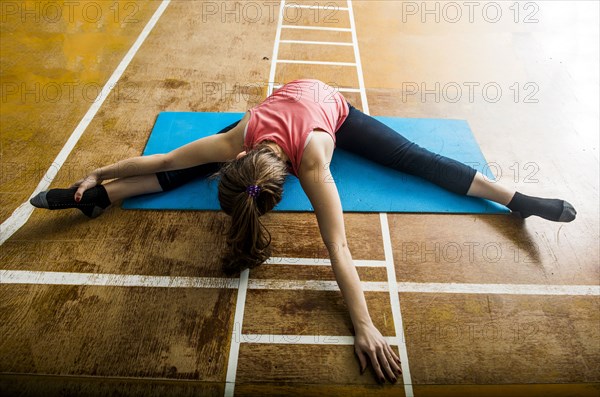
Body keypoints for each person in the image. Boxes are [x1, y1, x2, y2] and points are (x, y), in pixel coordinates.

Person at [30, 78, 576, 383]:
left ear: (283, 177)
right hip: (279, 107)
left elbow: (336, 245)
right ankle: (97, 197)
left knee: (414, 158)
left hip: (326, 104)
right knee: (178, 167)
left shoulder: (315, 163)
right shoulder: (238, 138)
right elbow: (165, 157)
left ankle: (518, 200)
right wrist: (96, 172)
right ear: (242, 157)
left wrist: (365, 325)